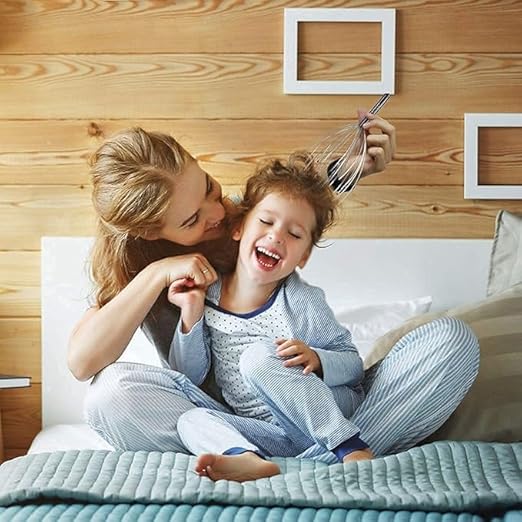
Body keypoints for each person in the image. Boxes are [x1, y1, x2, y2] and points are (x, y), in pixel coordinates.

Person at [67, 115, 479, 470]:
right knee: (109, 397)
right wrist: (156, 275)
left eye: (210, 188)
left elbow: (285, 205)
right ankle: (326, 458)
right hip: (235, 425)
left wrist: (348, 170)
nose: (219, 212)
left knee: (451, 339)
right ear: (150, 233)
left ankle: (323, 453)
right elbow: (83, 363)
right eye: (192, 219)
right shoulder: (146, 273)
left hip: (319, 405)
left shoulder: (261, 246)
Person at [169, 153, 369, 481]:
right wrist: (191, 313)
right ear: (238, 228)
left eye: (295, 234)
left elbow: (353, 366)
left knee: (259, 358)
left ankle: (349, 446)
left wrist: (318, 359)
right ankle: (245, 457)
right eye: (266, 221)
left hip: (318, 412)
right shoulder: (209, 293)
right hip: (272, 433)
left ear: (303, 256)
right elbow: (190, 375)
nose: (276, 236)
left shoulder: (302, 301)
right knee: (190, 420)